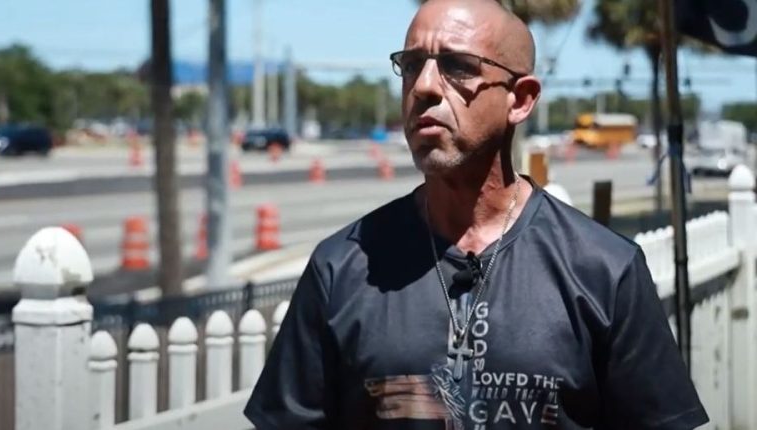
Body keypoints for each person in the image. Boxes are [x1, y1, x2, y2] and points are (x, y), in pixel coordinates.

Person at [244, 0, 709, 428]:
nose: (424, 86)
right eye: (410, 65)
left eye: (457, 66)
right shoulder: (339, 268)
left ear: (520, 99)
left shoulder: (605, 271)